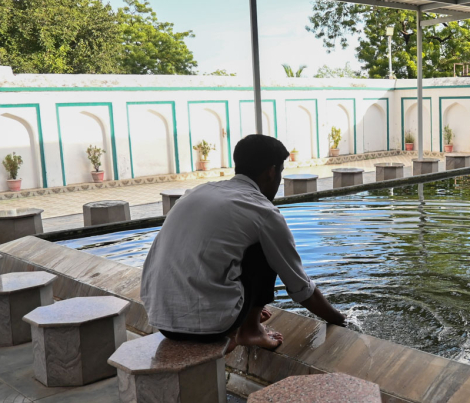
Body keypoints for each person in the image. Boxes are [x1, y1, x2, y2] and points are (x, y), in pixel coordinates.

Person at [140, 134, 345, 351]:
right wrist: (340, 320)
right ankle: (251, 330)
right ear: (271, 171)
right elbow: (301, 289)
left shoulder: (196, 192)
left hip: (161, 320)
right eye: (280, 174)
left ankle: (245, 317)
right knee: (265, 246)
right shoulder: (263, 211)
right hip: (209, 328)